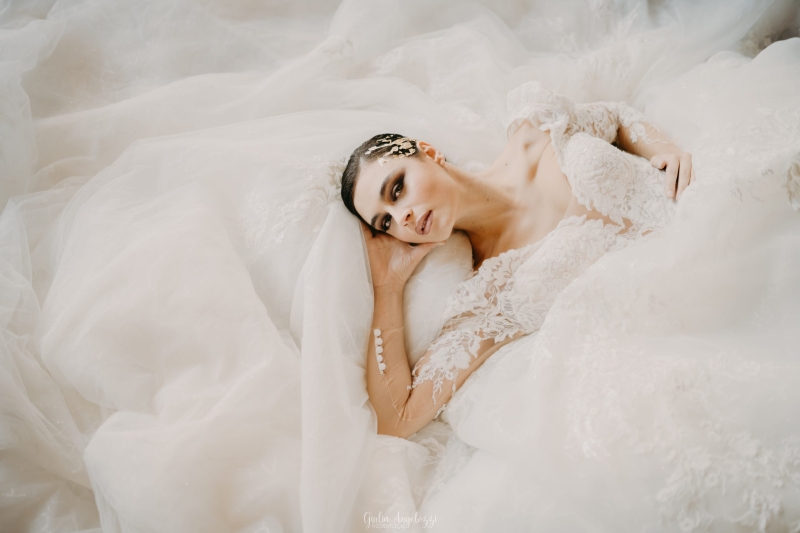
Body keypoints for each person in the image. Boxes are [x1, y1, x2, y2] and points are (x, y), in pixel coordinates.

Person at [340, 82, 695, 439]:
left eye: (397, 189)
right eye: (385, 222)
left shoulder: (535, 130)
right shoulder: (489, 294)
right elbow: (396, 417)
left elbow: (614, 117)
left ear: (429, 152)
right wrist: (387, 286)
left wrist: (663, 150)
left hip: (701, 206)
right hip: (683, 306)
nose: (401, 217)